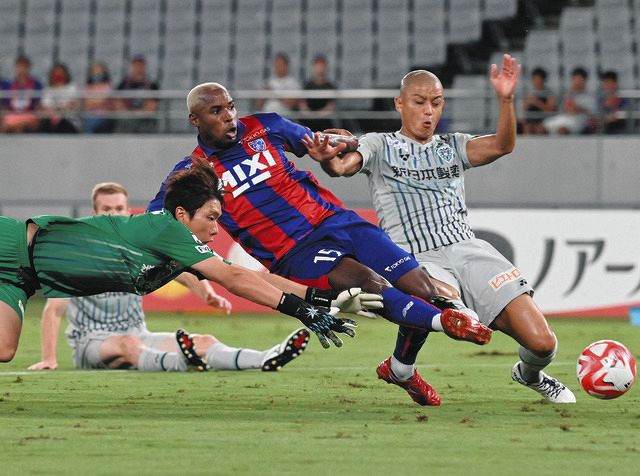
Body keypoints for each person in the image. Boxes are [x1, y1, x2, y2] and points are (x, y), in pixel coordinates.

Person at [148, 82, 493, 407]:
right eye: (217, 111)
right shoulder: (196, 170)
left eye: (231, 107)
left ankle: (401, 368)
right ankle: (446, 322)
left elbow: (320, 143)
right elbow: (155, 216)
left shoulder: (265, 126)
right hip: (295, 251)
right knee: (367, 284)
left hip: (338, 220)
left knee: (421, 286)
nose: (229, 117)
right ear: (195, 119)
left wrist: (337, 145)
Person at [309, 54, 576, 404]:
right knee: (447, 306)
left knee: (543, 343)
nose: (428, 112)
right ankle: (404, 366)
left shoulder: (453, 146)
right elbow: (342, 167)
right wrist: (327, 157)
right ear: (400, 103)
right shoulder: (379, 145)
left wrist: (507, 99)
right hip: (413, 257)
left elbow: (503, 145)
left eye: (436, 103)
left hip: (468, 249)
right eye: (419, 103)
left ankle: (530, 374)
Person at [0, 162, 385, 364]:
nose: (217, 228)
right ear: (182, 214)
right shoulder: (166, 230)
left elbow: (253, 276)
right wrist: (303, 312)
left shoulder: (178, 249)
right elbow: (233, 277)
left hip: (22, 278)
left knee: (4, 350)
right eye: (212, 217)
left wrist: (323, 301)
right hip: (12, 242)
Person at [27, 181, 310, 372]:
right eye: (106, 210)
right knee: (129, 346)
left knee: (205, 341)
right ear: (95, 213)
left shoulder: (145, 242)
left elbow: (180, 270)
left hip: (139, 333)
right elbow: (53, 310)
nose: (113, 214)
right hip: (93, 342)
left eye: (118, 209)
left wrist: (205, 292)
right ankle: (181, 363)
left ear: (128, 210)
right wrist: (49, 358)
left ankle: (264, 358)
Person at [543, 67, 596, 135]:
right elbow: (561, 109)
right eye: (575, 79)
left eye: (579, 79)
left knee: (562, 130)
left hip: (579, 120)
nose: (577, 82)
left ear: (584, 80)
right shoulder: (567, 94)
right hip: (564, 118)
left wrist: (578, 108)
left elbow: (592, 113)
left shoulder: (589, 96)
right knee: (542, 127)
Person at [115, 54, 159, 133]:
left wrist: (138, 113)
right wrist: (130, 113)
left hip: (144, 120)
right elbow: (118, 104)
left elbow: (152, 107)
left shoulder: (152, 85)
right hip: (127, 119)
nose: (138, 67)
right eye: (136, 65)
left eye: (140, 65)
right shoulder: (123, 84)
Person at [0, 54, 43, 133]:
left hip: (29, 114)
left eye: (24, 67)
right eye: (19, 67)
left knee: (20, 126)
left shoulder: (36, 84)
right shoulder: (9, 85)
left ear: (28, 68)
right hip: (13, 114)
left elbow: (37, 106)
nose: (21, 70)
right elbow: (5, 106)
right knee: (6, 122)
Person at [38, 62, 80, 133]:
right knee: (43, 124)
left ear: (65, 74)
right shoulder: (48, 89)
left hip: (68, 120)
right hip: (51, 119)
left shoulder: (72, 87)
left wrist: (57, 111)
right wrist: (55, 111)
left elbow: (71, 105)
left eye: (60, 73)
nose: (58, 76)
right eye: (56, 73)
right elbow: (45, 106)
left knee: (61, 122)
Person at [299, 54, 336, 131]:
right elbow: (303, 105)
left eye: (322, 66)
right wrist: (310, 115)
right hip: (308, 120)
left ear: (326, 67)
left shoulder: (330, 86)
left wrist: (318, 116)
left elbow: (330, 107)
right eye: (318, 66)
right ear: (313, 67)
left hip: (325, 121)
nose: (320, 68)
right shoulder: (307, 85)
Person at [521, 67, 557, 135]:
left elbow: (550, 110)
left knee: (541, 128)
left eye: (538, 79)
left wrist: (537, 102)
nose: (536, 81)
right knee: (527, 127)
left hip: (544, 120)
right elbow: (524, 110)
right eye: (534, 79)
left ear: (543, 80)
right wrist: (527, 103)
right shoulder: (530, 93)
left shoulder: (549, 93)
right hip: (530, 120)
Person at [83, 62, 116, 134]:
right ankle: (87, 143)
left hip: (105, 116)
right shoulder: (88, 87)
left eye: (99, 71)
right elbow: (87, 104)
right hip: (90, 116)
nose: (97, 74)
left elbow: (105, 100)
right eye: (95, 71)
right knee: (89, 122)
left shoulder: (107, 85)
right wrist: (99, 100)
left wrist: (95, 101)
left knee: (94, 122)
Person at [591, 70, 628, 134]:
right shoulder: (601, 97)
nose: (606, 85)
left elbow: (624, 112)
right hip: (604, 120)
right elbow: (597, 112)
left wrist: (614, 107)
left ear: (615, 83)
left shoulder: (622, 96)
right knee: (590, 125)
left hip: (618, 121)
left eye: (608, 82)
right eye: (604, 82)